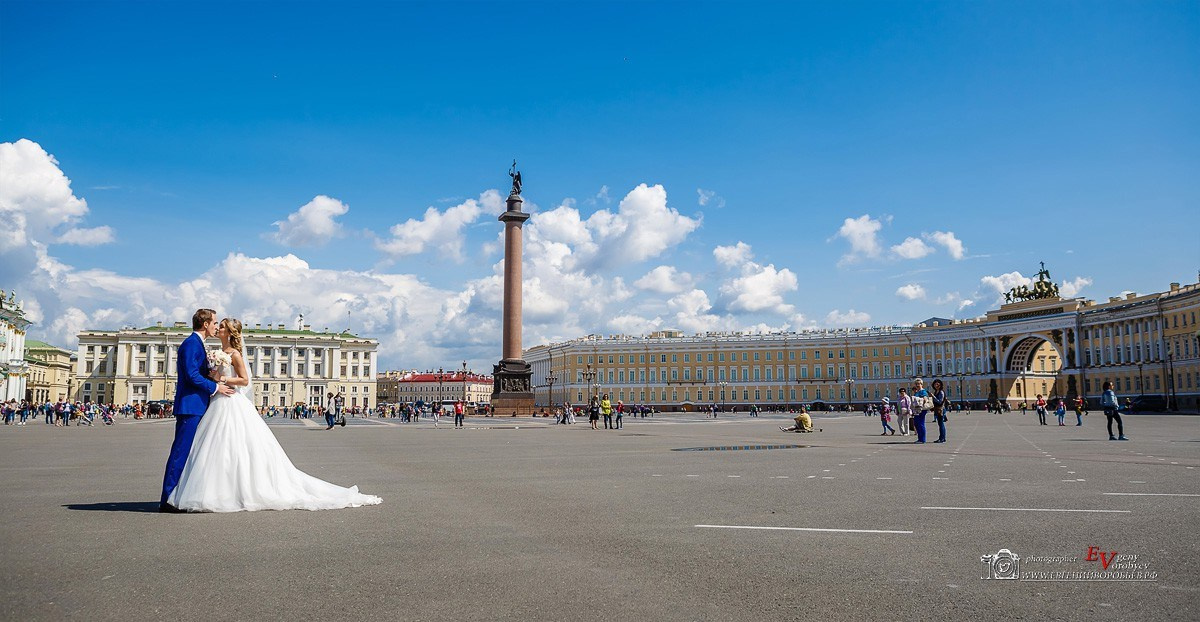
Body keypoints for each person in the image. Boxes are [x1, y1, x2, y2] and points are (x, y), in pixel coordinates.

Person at [168, 317, 382, 512]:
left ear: (230, 332)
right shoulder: (217, 352)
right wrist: (214, 376)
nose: (217, 328)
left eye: (221, 326)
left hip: (231, 401)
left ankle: (233, 491)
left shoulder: (234, 354)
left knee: (233, 447)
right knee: (219, 448)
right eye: (217, 324)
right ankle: (222, 490)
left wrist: (221, 379)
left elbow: (244, 380)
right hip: (219, 402)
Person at [160, 309, 236, 512]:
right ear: (205, 324)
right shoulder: (192, 343)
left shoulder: (197, 344)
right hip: (190, 405)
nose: (216, 326)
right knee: (181, 452)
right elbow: (192, 375)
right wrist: (215, 387)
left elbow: (197, 373)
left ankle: (178, 496)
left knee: (190, 453)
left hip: (197, 404)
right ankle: (167, 498)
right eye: (214, 322)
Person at [911, 378, 929, 444]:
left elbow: (925, 399)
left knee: (921, 423)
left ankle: (922, 439)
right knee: (916, 423)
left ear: (922, 384)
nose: (917, 385)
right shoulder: (917, 392)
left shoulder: (922, 391)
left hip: (921, 409)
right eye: (916, 384)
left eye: (919, 384)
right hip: (916, 410)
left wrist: (919, 402)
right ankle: (920, 438)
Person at [930, 379, 947, 443]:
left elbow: (940, 401)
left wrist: (933, 397)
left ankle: (942, 438)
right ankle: (941, 437)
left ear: (940, 385)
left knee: (941, 424)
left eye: (937, 384)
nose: (936, 385)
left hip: (941, 409)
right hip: (937, 409)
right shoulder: (936, 391)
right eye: (935, 384)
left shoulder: (941, 392)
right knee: (940, 424)